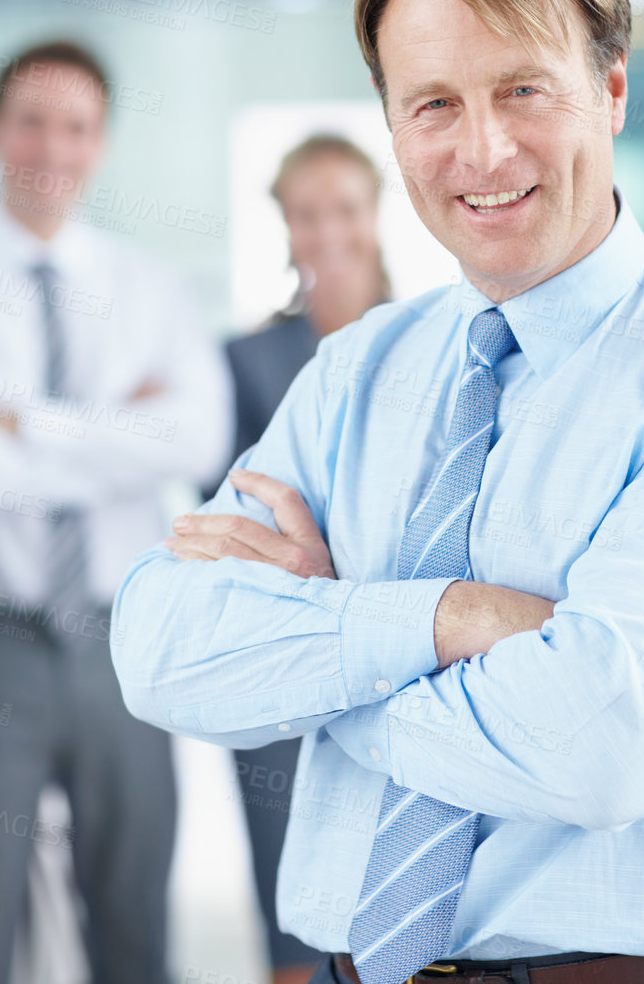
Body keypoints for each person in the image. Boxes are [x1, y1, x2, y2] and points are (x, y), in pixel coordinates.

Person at [114, 0, 644, 984]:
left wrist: (326, 656)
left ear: (612, 91)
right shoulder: (354, 371)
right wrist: (449, 618)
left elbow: (607, 741)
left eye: (524, 89)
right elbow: (162, 648)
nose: (484, 149)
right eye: (434, 103)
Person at [0, 39, 232, 984]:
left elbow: (195, 442)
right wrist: (120, 435)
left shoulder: (151, 289)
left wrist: (25, 423)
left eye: (75, 127)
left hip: (126, 638)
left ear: (101, 143)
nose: (52, 147)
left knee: (133, 924)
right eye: (32, 121)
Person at [222, 133, 395, 984]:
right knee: (297, 930)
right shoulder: (245, 359)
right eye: (305, 214)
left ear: (375, 214)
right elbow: (236, 526)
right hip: (280, 661)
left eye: (344, 209)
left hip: (405, 656)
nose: (327, 231)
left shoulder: (437, 336)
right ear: (284, 228)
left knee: (406, 910)